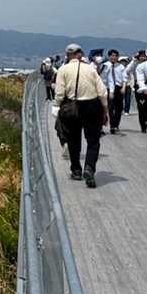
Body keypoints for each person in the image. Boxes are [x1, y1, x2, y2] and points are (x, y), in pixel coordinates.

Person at [54, 43, 109, 187]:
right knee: (93, 141)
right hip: (92, 106)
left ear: (67, 55)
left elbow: (59, 93)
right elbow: (102, 92)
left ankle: (76, 170)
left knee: (73, 140)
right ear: (80, 54)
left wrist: (57, 105)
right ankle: (89, 168)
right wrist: (105, 109)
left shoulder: (63, 69)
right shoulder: (90, 69)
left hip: (72, 107)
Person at [100, 48, 126, 134]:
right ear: (109, 56)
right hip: (107, 88)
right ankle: (112, 126)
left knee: (119, 108)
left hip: (118, 88)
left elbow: (124, 78)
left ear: (118, 57)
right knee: (110, 108)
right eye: (112, 55)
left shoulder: (121, 67)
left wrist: (123, 87)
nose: (113, 57)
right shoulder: (104, 65)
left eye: (115, 56)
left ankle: (115, 124)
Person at [130, 48, 147, 133]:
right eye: (141, 56)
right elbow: (128, 70)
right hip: (139, 89)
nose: (143, 58)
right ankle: (143, 126)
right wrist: (133, 60)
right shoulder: (135, 64)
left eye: (144, 56)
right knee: (141, 107)